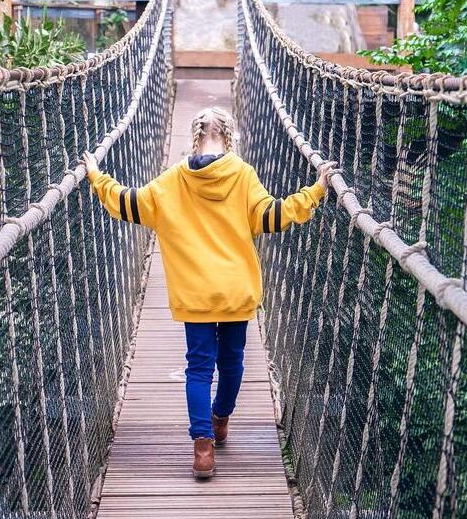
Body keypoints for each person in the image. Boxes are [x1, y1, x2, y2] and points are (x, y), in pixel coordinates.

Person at [83, 106, 329, 479]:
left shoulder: (172, 181)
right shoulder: (243, 175)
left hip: (195, 295)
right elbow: (272, 216)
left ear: (194, 136)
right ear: (229, 137)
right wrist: (316, 191)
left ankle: (202, 450)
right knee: (233, 363)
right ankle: (220, 419)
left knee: (198, 368)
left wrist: (97, 178)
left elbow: (129, 203)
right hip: (235, 292)